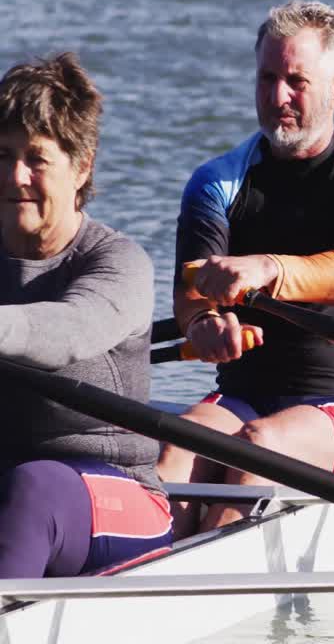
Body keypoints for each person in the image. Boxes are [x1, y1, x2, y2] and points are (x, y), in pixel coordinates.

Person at [157, 0, 334, 534]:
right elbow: (194, 290)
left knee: (259, 449)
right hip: (243, 395)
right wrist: (204, 325)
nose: (279, 98)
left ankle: (198, 578)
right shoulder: (216, 180)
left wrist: (267, 268)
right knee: (176, 450)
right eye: (267, 78)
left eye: (296, 81)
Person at [0, 53, 171, 577]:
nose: (14, 176)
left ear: (83, 166)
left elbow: (66, 332)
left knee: (35, 487)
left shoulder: (118, 264)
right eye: (2, 154)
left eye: (36, 158)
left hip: (118, 494)